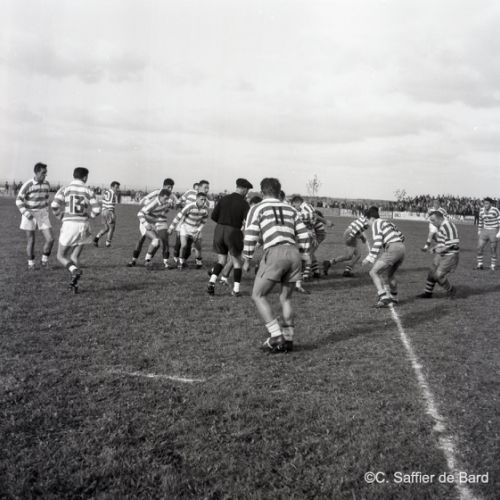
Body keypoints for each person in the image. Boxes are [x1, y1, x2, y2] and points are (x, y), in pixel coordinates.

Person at [243, 178, 310, 353]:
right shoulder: (290, 208)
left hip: (275, 252)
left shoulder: (257, 208)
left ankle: (276, 336)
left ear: (262, 192)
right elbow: (304, 234)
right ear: (279, 191)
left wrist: (247, 258)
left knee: (258, 295)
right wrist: (304, 255)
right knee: (286, 299)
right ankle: (288, 340)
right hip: (294, 253)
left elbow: (250, 234)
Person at [51, 168, 100, 292]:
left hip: (70, 225)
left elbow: (54, 205)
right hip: (84, 225)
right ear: (84, 177)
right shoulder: (89, 190)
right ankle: (74, 284)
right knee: (74, 256)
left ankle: (73, 270)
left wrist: (60, 216)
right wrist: (90, 215)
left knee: (60, 256)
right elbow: (97, 209)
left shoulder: (65, 188)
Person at [207, 178, 253, 297]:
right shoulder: (244, 203)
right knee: (237, 262)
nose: (247, 193)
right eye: (247, 190)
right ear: (244, 189)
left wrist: (224, 221)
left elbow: (214, 216)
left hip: (219, 230)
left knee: (221, 261)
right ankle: (236, 290)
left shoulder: (224, 198)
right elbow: (248, 221)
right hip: (233, 231)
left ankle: (212, 282)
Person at [362, 206, 405, 307]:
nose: (367, 224)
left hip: (393, 248)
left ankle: (383, 297)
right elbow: (402, 237)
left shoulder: (376, 223)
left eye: (367, 221)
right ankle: (394, 298)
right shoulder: (388, 222)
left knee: (373, 272)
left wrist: (369, 258)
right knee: (390, 275)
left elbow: (377, 242)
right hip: (402, 248)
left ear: (372, 219)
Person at [127, 179, 176, 267]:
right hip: (146, 221)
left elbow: (175, 204)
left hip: (157, 221)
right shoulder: (156, 196)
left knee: (158, 243)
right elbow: (141, 209)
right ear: (164, 186)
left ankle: (149, 261)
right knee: (144, 240)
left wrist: (171, 205)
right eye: (169, 187)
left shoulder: (169, 197)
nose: (170, 189)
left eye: (171, 188)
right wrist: (146, 222)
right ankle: (134, 260)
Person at [15, 162, 55, 270]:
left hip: (42, 214)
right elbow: (18, 200)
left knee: (50, 239)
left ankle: (44, 261)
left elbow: (46, 198)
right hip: (30, 214)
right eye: (43, 173)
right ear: (36, 173)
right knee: (31, 240)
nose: (45, 175)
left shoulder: (47, 184)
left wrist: (46, 209)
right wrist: (26, 213)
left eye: (46, 173)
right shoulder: (28, 184)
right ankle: (31, 263)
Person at [417, 209, 459, 299]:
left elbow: (453, 244)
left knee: (438, 275)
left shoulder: (448, 226)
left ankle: (451, 290)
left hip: (450, 255)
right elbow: (443, 242)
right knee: (432, 271)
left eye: (433, 220)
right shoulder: (441, 226)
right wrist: (435, 248)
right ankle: (428, 293)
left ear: (440, 218)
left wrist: (438, 250)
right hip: (442, 254)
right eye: (430, 221)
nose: (432, 223)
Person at [173, 180, 210, 268]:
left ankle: (182, 260)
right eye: (205, 188)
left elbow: (204, 215)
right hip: (182, 222)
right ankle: (177, 259)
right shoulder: (190, 192)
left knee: (188, 245)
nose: (207, 190)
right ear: (199, 187)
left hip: (194, 225)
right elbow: (179, 202)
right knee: (180, 242)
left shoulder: (206, 201)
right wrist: (179, 205)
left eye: (208, 188)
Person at [323, 213, 369, 277]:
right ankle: (334, 265)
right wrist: (362, 238)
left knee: (354, 255)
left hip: (350, 233)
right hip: (351, 234)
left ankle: (332, 264)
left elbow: (357, 228)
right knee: (352, 256)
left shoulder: (363, 218)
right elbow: (356, 230)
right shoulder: (366, 222)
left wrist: (361, 237)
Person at [93, 181, 120, 247]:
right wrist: (112, 213)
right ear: (112, 187)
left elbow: (104, 200)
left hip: (103, 212)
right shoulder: (112, 193)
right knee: (112, 228)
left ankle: (96, 238)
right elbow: (110, 203)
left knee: (106, 228)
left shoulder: (107, 192)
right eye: (116, 187)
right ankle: (108, 243)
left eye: (118, 187)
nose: (117, 189)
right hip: (108, 211)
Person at [476, 197, 500, 271]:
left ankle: (492, 265)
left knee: (493, 249)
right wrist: (479, 230)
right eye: (484, 203)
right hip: (485, 230)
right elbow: (480, 221)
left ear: (491, 204)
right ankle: (480, 264)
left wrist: (499, 232)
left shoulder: (495, 210)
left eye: (487, 203)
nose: (485, 205)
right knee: (479, 247)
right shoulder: (481, 211)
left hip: (494, 230)